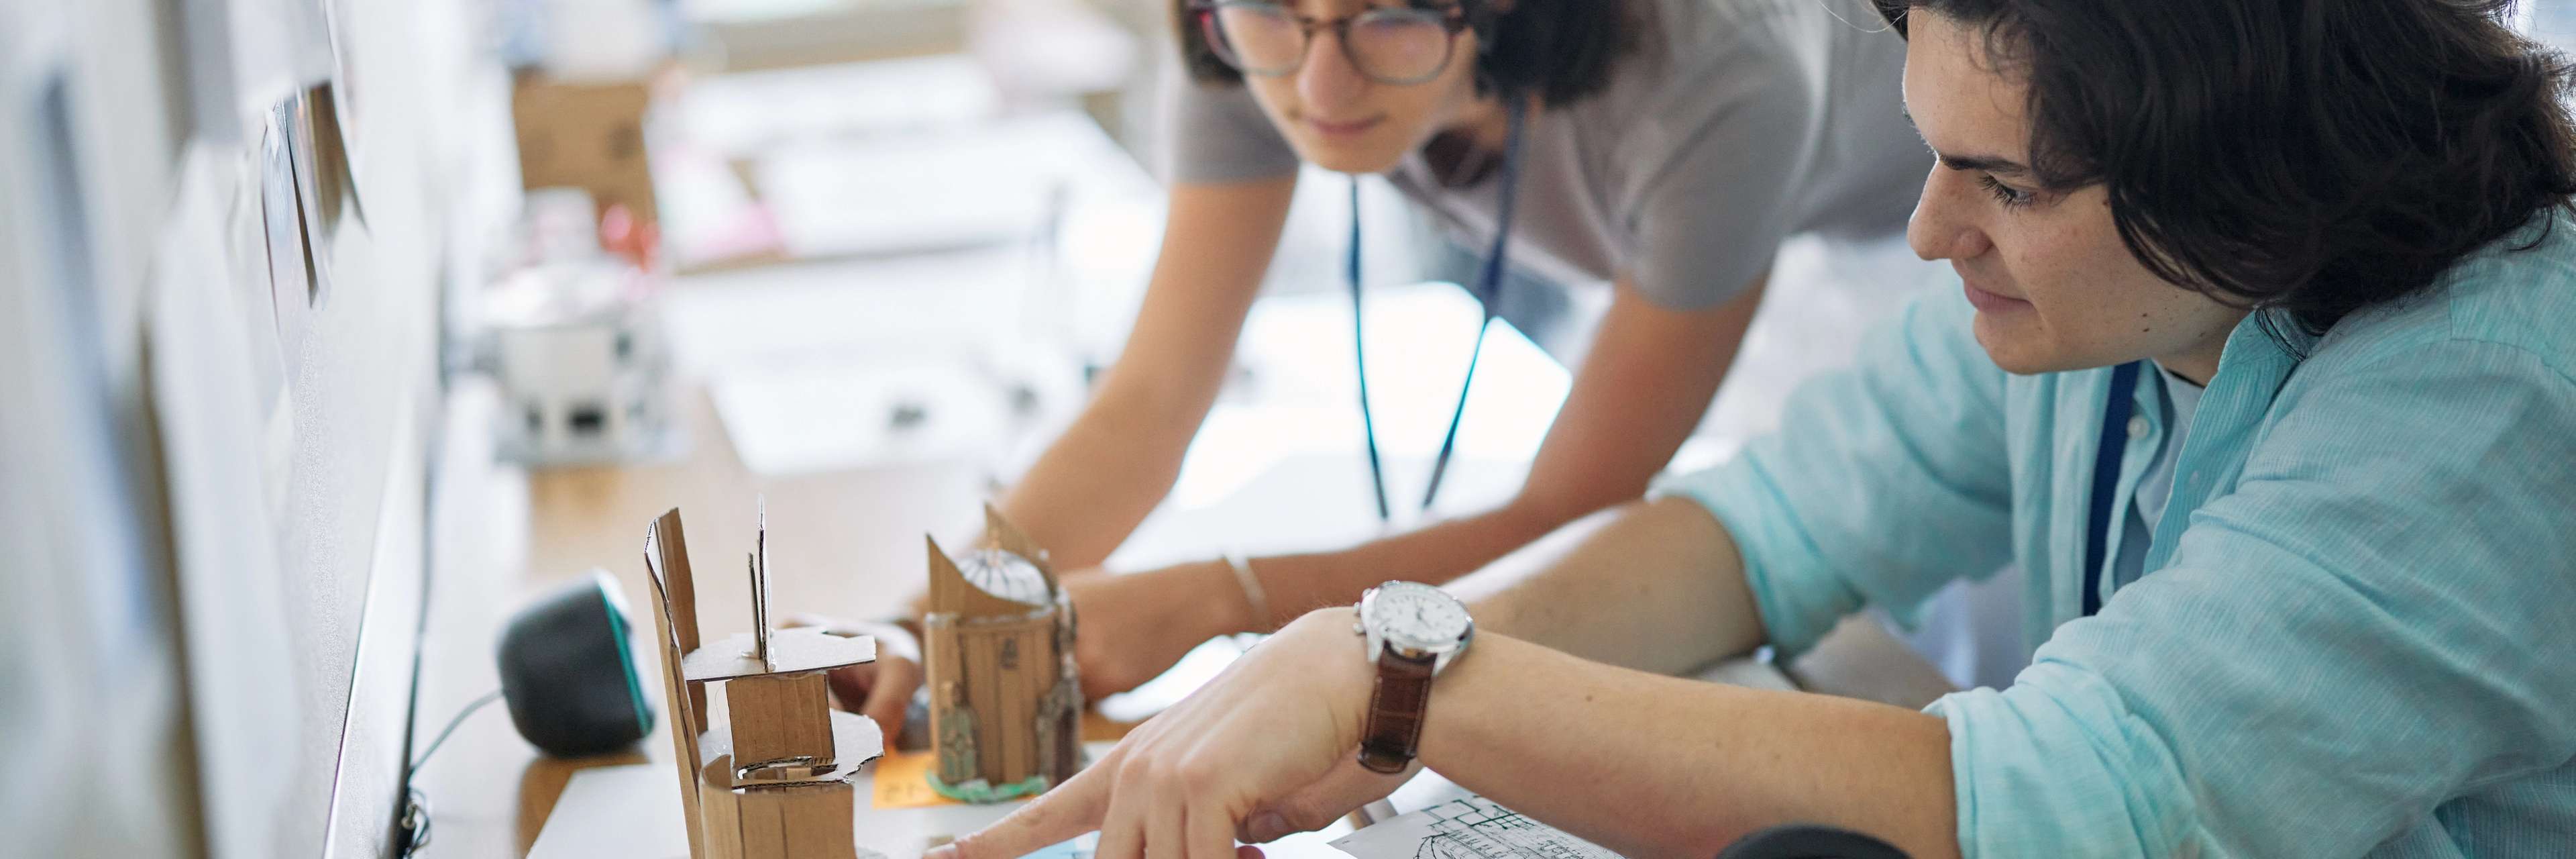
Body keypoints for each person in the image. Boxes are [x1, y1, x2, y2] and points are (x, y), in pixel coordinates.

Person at [923, 0, 2576, 855]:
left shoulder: (2481, 398)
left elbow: (2049, 810)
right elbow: (1752, 531)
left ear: (2245, 175)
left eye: (2001, 183)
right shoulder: (2130, 291)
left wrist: (1395, 678)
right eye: (1932, 156)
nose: (1927, 236)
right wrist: (1363, 661)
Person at [824, 0, 1933, 733]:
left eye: (1391, 15)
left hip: (1936, 236)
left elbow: (1578, 511)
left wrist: (1225, 598)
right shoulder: (1249, 42)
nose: (1321, 86)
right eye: (1274, 13)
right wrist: (920, 624)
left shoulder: (1718, 69)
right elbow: (1149, 405)